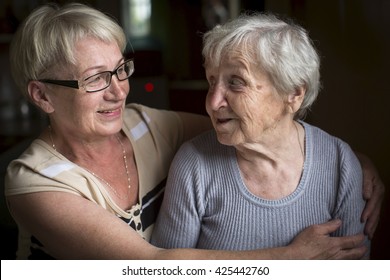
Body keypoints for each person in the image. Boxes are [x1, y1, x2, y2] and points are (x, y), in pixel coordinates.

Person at [3, 3, 382, 260]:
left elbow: (265, 132)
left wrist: (350, 160)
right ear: (42, 95)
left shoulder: (146, 126)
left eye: (120, 70)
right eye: (96, 79)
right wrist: (287, 259)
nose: (119, 90)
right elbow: (151, 267)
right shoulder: (32, 182)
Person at [151, 13, 378, 258]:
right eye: (211, 81)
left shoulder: (341, 164)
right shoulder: (194, 164)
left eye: (236, 82)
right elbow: (165, 270)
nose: (213, 103)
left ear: (293, 93)